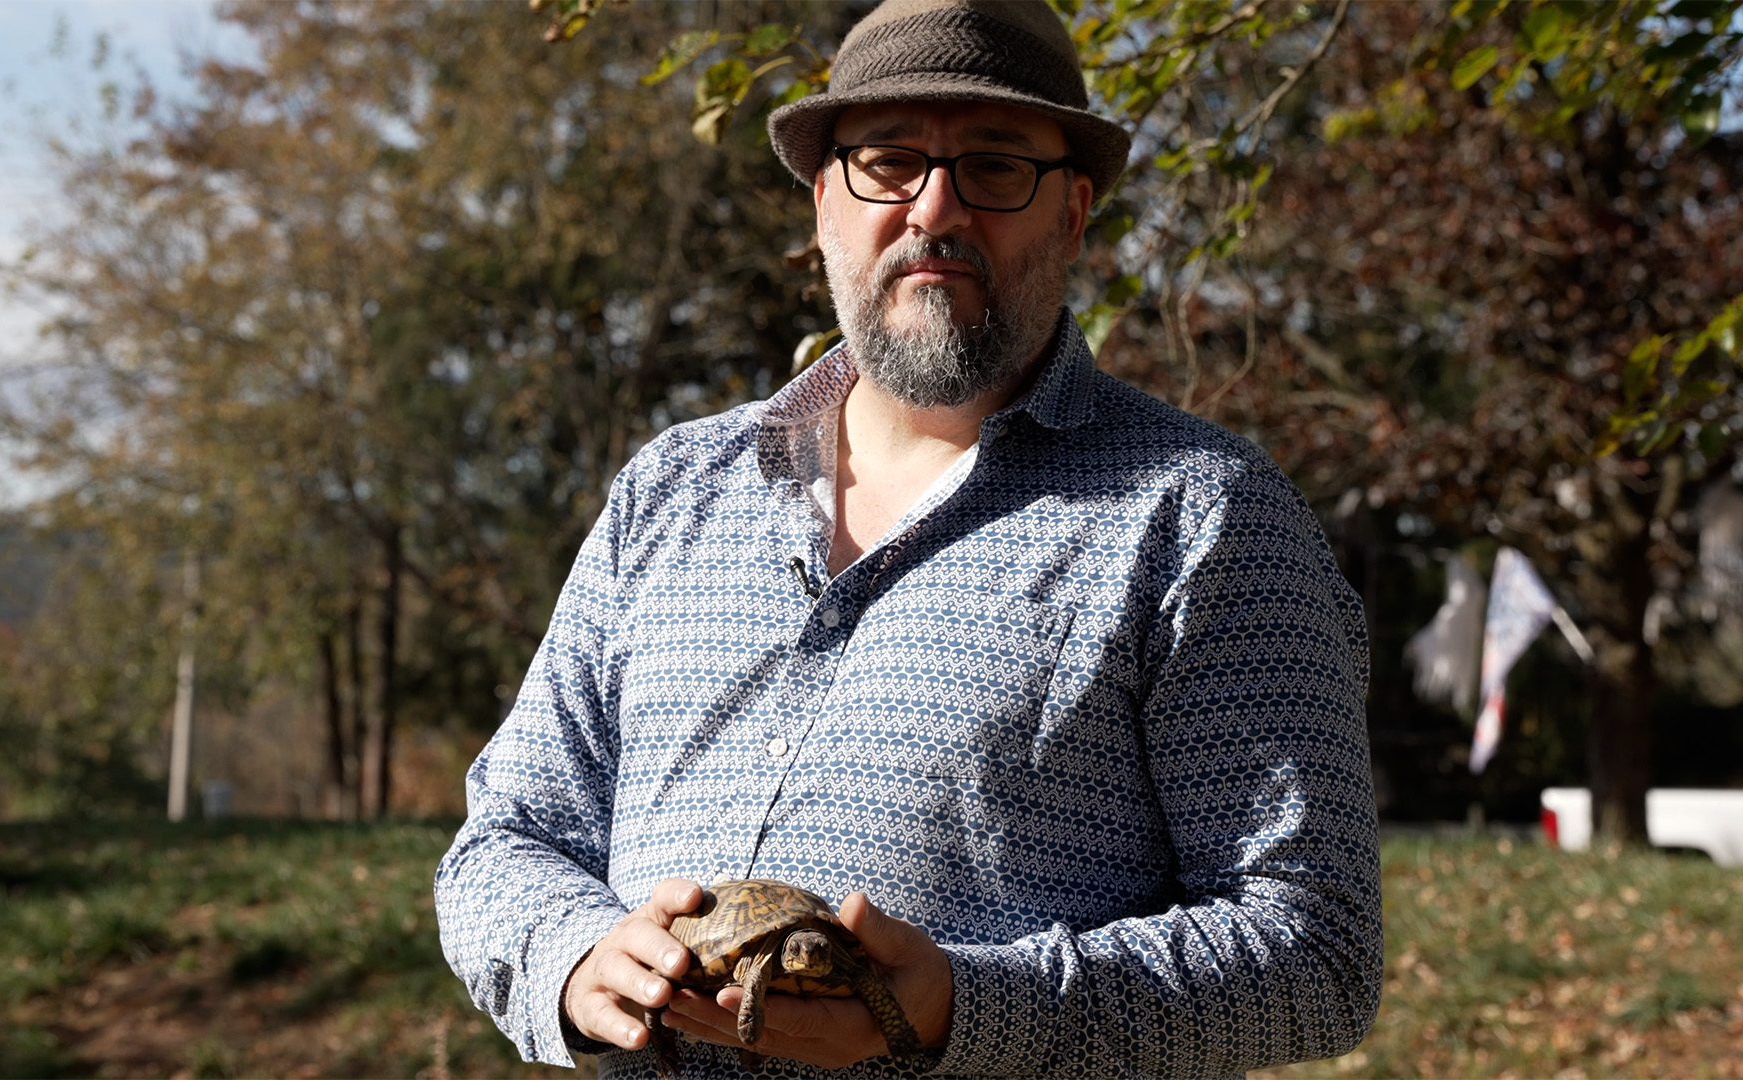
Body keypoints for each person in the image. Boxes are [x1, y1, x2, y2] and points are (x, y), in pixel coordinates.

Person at [436, 1, 1383, 1076]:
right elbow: (505, 838)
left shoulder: (1202, 516)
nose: (935, 208)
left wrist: (966, 1009)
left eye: (995, 167)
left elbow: (1318, 953)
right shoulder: (671, 491)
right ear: (824, 203)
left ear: (1073, 213)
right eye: (889, 163)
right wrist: (573, 957)